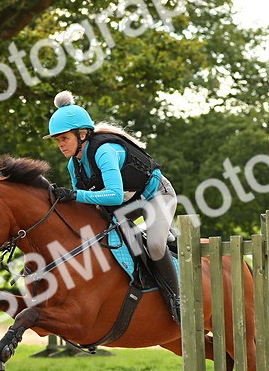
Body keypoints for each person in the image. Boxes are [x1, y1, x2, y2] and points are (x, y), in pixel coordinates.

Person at [46, 90, 182, 322]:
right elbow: (87, 205)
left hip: (156, 196)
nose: (60, 144)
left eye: (64, 138)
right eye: (57, 140)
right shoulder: (74, 165)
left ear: (82, 135)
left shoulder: (104, 151)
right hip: (128, 204)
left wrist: (75, 194)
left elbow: (114, 195)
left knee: (156, 245)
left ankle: (177, 300)